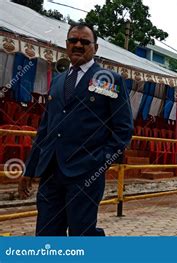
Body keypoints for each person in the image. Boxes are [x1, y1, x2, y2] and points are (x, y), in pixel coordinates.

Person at [18, 23, 133, 236]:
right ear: (66, 45)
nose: (78, 45)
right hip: (51, 172)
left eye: (84, 42)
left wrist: (100, 163)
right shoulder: (59, 81)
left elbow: (123, 129)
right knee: (46, 234)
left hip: (85, 174)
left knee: (82, 234)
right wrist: (30, 169)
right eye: (73, 41)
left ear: (95, 48)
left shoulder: (106, 80)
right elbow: (45, 129)